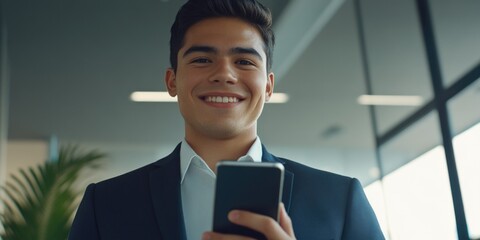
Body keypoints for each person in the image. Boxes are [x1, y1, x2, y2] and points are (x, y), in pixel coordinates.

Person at [69, 0, 384, 239]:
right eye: (203, 59)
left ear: (269, 86)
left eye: (244, 60)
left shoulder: (339, 200)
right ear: (172, 81)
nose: (224, 74)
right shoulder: (107, 204)